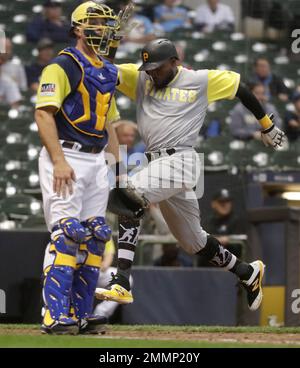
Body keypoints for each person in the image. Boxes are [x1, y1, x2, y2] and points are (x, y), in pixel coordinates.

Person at [95, 38, 285, 312]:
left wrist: (266, 125)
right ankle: (246, 272)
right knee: (192, 241)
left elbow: (239, 88)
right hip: (154, 163)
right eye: (148, 67)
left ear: (175, 62)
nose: (152, 72)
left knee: (129, 195)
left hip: (182, 159)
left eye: (158, 67)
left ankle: (122, 281)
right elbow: (104, 74)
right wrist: (111, 46)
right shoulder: (140, 79)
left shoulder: (199, 80)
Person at [35, 1, 126, 335]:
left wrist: (118, 171)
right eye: (94, 23)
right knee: (67, 234)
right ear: (77, 28)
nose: (101, 29)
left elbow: (110, 125)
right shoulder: (63, 64)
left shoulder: (107, 71)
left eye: (105, 24)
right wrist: (58, 160)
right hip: (67, 154)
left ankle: (82, 314)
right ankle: (53, 314)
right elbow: (43, 113)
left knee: (97, 236)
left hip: (96, 157)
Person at [199, 188, 246, 265]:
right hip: (208, 267)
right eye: (221, 202)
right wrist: (218, 241)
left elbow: (240, 248)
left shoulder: (237, 222)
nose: (225, 205)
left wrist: (227, 242)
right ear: (213, 204)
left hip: (231, 266)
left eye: (227, 201)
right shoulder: (207, 222)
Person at [94, 238, 133, 319]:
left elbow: (108, 259)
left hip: (96, 271)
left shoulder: (104, 231)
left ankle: (100, 314)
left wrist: (93, 268)